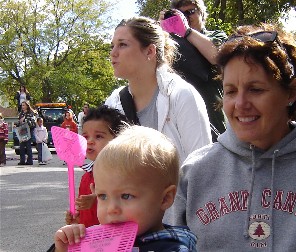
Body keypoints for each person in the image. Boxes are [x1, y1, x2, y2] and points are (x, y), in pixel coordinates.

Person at [165, 24, 296, 251]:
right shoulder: (194, 172)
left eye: (255, 89)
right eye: (230, 91)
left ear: (291, 92)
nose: (240, 104)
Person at [49, 126, 197, 252]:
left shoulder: (173, 248)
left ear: (165, 198)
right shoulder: (99, 242)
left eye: (126, 196)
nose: (111, 209)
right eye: (103, 196)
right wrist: (64, 248)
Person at [105, 16, 212, 164]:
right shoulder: (113, 102)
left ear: (150, 51)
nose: (113, 53)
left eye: (122, 45)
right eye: (112, 46)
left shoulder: (182, 95)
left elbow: (202, 166)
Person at [159, 0, 227, 141]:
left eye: (190, 12)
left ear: (202, 14)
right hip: (182, 116)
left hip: (214, 113)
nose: (185, 17)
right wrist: (161, 32)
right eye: (181, 14)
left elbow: (216, 57)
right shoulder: (170, 45)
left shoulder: (216, 36)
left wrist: (187, 32)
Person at [65, 105, 129, 228]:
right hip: (90, 240)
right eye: (85, 136)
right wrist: (78, 219)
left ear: (118, 139)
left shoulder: (122, 174)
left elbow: (129, 204)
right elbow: (87, 214)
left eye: (98, 136)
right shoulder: (86, 177)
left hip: (111, 240)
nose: (89, 141)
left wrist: (98, 199)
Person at [17, 101, 36, 166]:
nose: (23, 107)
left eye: (24, 105)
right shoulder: (21, 114)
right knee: (21, 147)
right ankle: (22, 161)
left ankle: (30, 161)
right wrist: (18, 123)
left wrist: (25, 120)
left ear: (27, 106)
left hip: (28, 132)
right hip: (22, 131)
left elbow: (33, 124)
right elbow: (18, 122)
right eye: (22, 105)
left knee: (28, 147)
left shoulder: (31, 114)